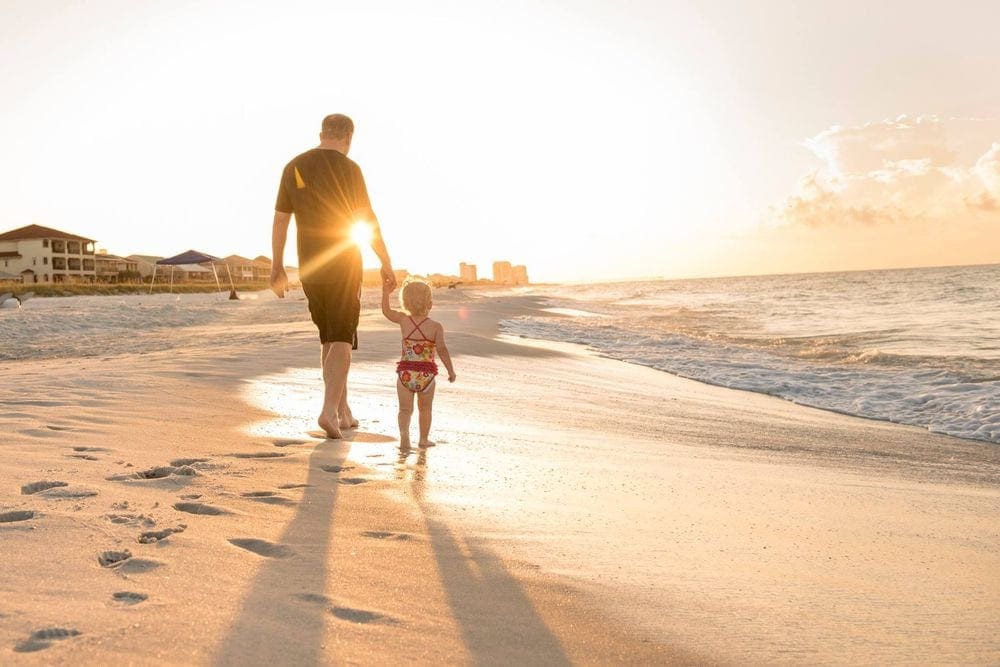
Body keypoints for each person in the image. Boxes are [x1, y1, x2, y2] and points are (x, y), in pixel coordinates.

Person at [270, 114, 396, 439]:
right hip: (343, 262)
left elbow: (281, 221)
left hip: (309, 266)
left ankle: (342, 409)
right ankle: (328, 412)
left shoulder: (294, 165)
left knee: (329, 336)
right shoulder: (350, 169)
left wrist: (277, 266)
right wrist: (385, 261)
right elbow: (367, 220)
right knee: (342, 337)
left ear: (321, 133)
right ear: (349, 138)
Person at [381, 278, 456, 448]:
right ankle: (423, 439)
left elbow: (386, 311)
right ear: (430, 304)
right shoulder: (436, 327)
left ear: (405, 303)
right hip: (426, 376)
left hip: (405, 374)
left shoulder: (403, 320)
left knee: (405, 410)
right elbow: (442, 350)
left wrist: (385, 293)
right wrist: (450, 371)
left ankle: (404, 437)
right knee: (425, 410)